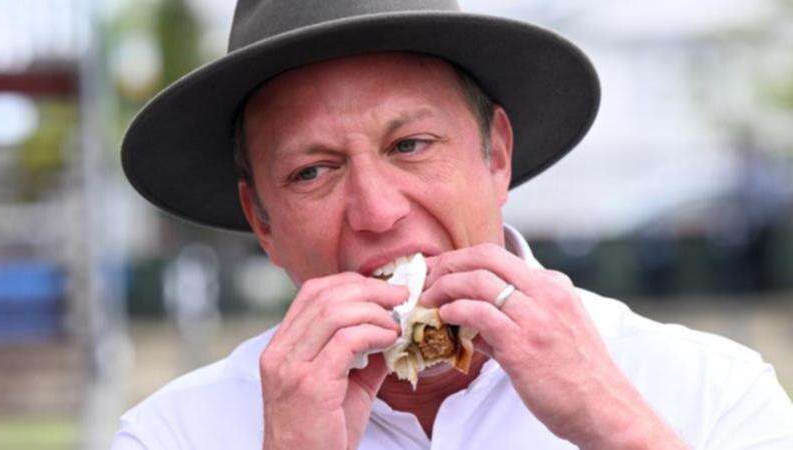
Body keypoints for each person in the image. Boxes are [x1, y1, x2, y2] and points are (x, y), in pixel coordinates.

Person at [113, 1, 793, 449]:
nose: (378, 212)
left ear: (495, 154)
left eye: (410, 145)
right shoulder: (173, 433)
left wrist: (618, 426)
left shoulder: (711, 391)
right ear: (261, 222)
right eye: (313, 172)